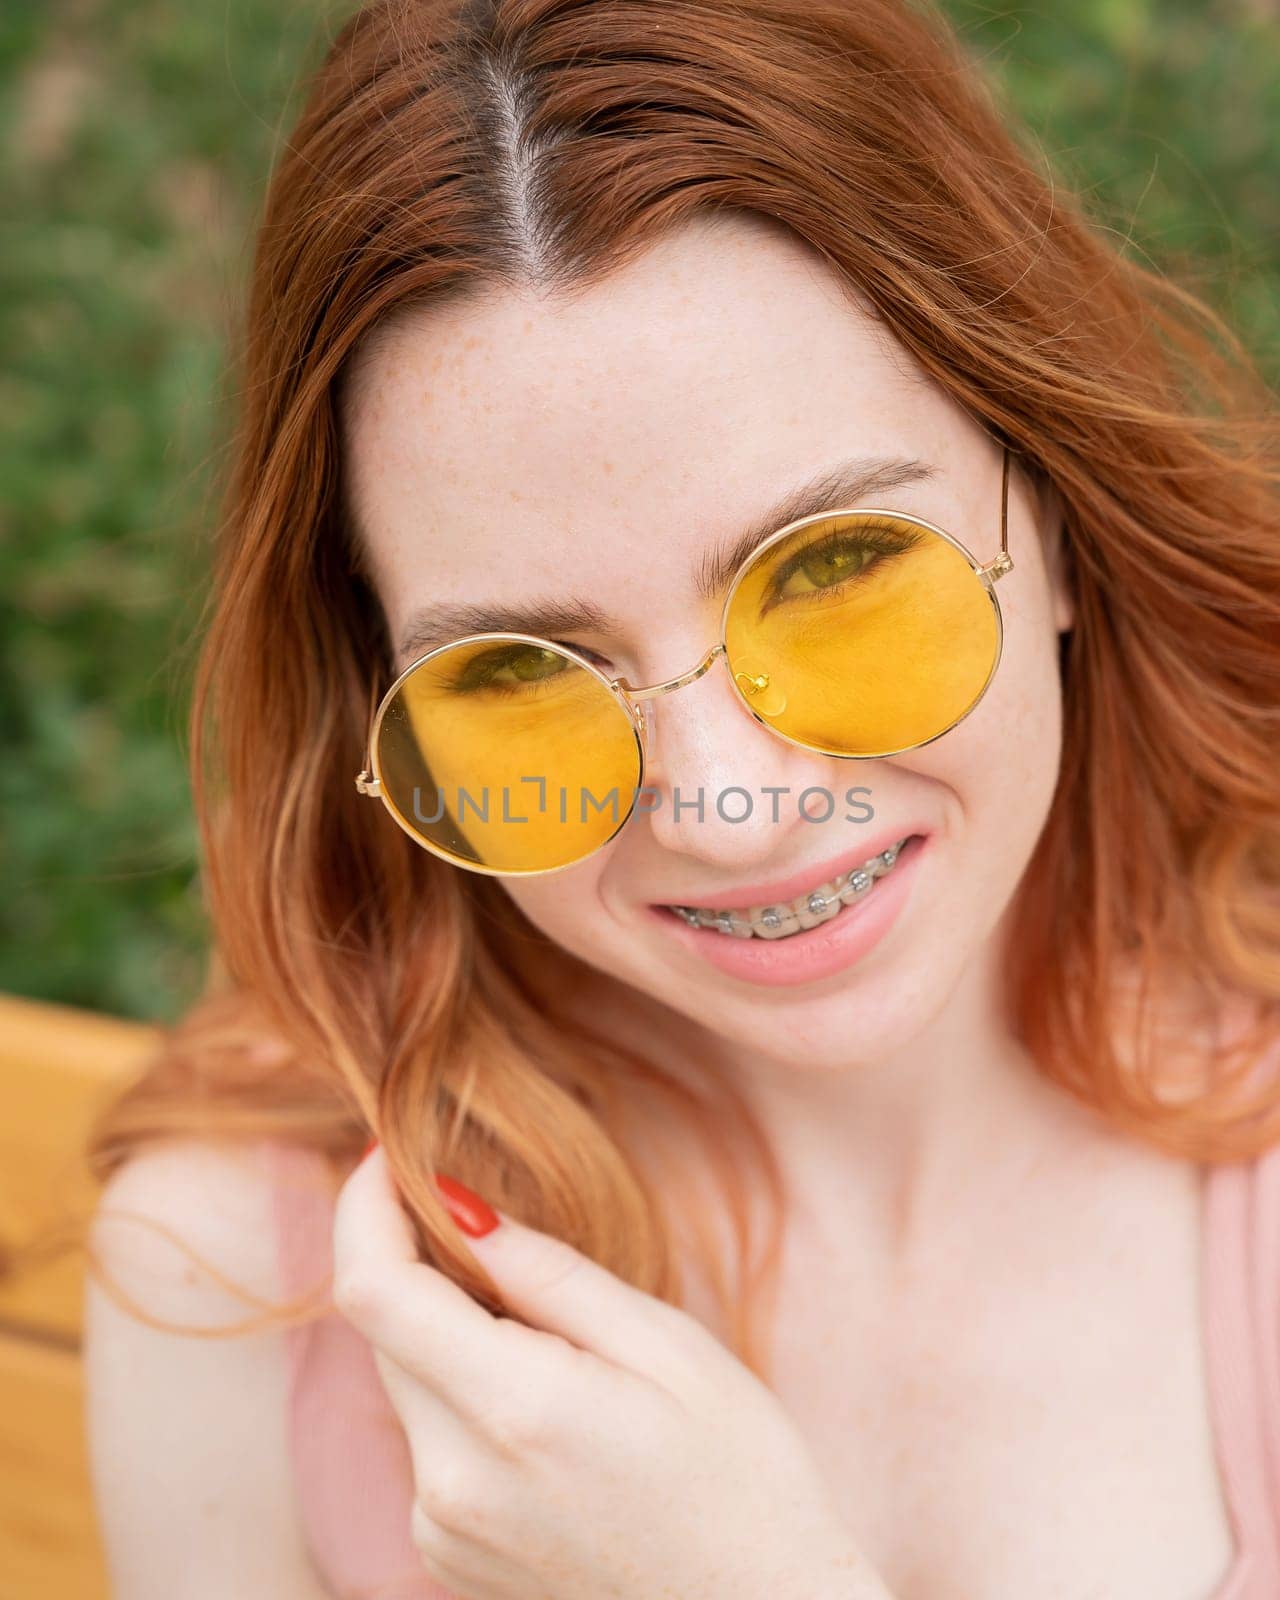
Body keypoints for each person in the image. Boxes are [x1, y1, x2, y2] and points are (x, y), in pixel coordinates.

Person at [80, 1, 1280, 1596]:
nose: (731, 804)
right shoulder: (240, 1280)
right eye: (519, 673)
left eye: (840, 569)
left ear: (1054, 514)